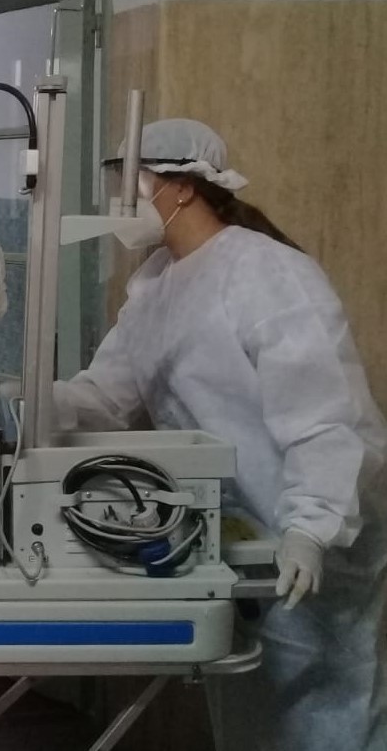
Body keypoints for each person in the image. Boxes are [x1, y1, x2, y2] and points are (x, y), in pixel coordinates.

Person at [55, 119, 387, 751]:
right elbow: (107, 397)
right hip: (238, 533)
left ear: (183, 186)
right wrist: (34, 402)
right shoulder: (155, 286)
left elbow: (325, 414)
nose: (117, 202)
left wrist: (311, 526)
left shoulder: (263, 271)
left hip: (313, 534)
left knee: (323, 710)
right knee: (252, 709)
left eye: (131, 183)